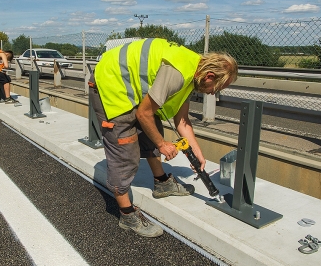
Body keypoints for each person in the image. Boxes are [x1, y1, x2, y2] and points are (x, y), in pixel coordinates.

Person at [89, 38, 238, 238]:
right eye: (216, 89)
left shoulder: (193, 73)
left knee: (154, 126)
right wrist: (162, 144)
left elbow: (182, 120)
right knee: (125, 150)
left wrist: (197, 152)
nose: (213, 94)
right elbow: (143, 114)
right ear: (210, 76)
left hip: (130, 86)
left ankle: (162, 183)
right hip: (110, 83)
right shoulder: (178, 73)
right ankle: (127, 215)